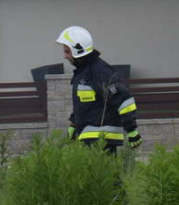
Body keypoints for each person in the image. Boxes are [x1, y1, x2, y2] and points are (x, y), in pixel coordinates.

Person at [56, 25, 141, 153]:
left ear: (78, 51)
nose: (65, 56)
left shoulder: (101, 72)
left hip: (103, 139)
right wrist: (74, 124)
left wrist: (132, 130)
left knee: (104, 173)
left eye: (67, 52)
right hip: (89, 137)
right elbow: (85, 105)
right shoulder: (83, 73)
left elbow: (124, 100)